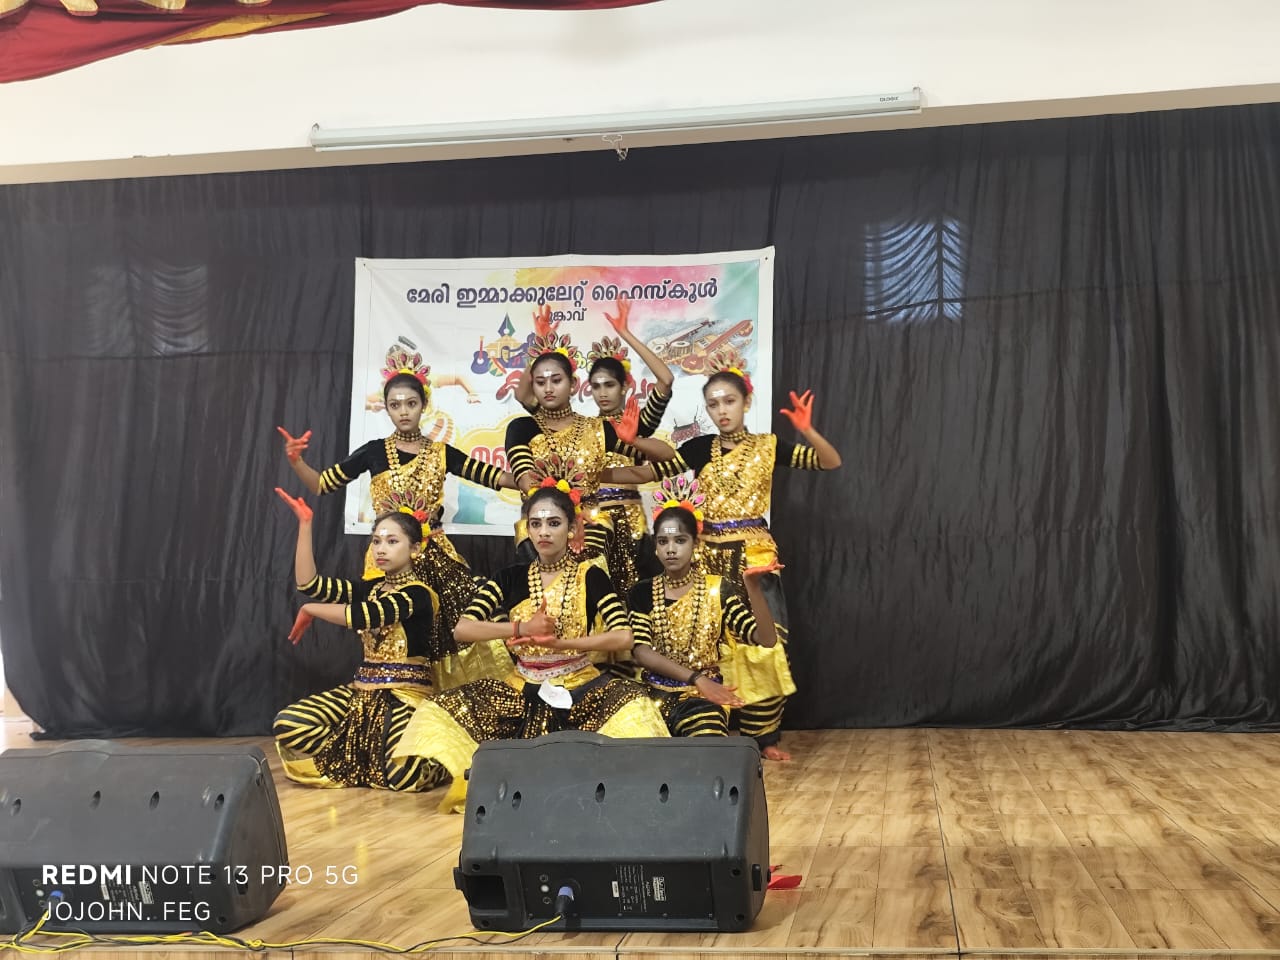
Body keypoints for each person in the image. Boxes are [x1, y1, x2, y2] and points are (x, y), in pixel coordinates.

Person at [601, 366, 842, 760]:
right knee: (714, 644)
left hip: (754, 557)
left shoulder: (767, 445)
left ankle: (764, 738)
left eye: (729, 401)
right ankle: (713, 722)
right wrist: (616, 456)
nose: (722, 410)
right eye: (713, 404)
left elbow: (829, 462)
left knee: (766, 645)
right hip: (708, 555)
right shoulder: (700, 448)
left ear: (746, 402)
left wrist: (807, 430)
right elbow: (649, 471)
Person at [390, 484, 669, 811]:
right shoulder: (510, 577)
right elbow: (463, 629)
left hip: (579, 683)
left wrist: (563, 643)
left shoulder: (589, 575)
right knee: (436, 711)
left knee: (637, 706)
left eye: (554, 523)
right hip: (523, 685)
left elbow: (624, 637)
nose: (543, 532)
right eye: (536, 523)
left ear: (572, 528)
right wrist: (521, 628)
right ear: (527, 528)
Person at [276, 353, 516, 688]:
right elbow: (321, 484)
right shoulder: (373, 452)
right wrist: (296, 462)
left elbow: (494, 477)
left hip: (433, 555)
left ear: (424, 405)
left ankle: (447, 697)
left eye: (411, 403)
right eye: (395, 405)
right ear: (386, 409)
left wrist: (534, 479)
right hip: (388, 556)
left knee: (450, 627)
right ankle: (392, 693)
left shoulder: (441, 453)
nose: (404, 411)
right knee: (387, 629)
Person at [271, 493, 448, 792]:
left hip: (405, 696)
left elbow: (365, 616)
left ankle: (441, 761)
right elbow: (309, 584)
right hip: (361, 693)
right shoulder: (371, 588)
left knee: (403, 778)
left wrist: (311, 609)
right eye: (376, 541)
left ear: (415, 549)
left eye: (392, 541)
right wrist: (305, 525)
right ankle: (359, 755)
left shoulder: (418, 594)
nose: (381, 549)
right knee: (288, 723)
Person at [515, 299, 675, 593]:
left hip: (627, 518)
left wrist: (624, 332)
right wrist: (541, 347)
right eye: (596, 386)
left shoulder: (631, 425)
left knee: (625, 591)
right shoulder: (587, 429)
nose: (602, 393)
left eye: (610, 385)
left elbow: (665, 380)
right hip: (587, 515)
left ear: (625, 386)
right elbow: (525, 397)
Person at [628, 497, 786, 738]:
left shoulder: (718, 589)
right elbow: (642, 652)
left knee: (706, 746)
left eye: (680, 540)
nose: (671, 549)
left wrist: (753, 587)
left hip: (702, 698)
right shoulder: (642, 591)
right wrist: (696, 678)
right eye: (663, 541)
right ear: (656, 547)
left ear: (696, 544)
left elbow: (766, 639)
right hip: (653, 693)